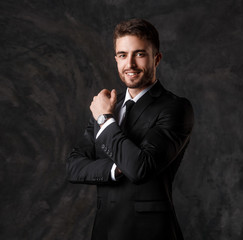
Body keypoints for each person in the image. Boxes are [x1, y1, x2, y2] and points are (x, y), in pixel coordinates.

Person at [66, 18, 194, 240]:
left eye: (140, 54)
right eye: (123, 55)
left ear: (157, 58)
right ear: (116, 59)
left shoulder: (175, 108)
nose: (130, 64)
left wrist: (105, 120)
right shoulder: (108, 106)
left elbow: (140, 168)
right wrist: (115, 169)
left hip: (151, 234)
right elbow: (74, 167)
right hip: (104, 232)